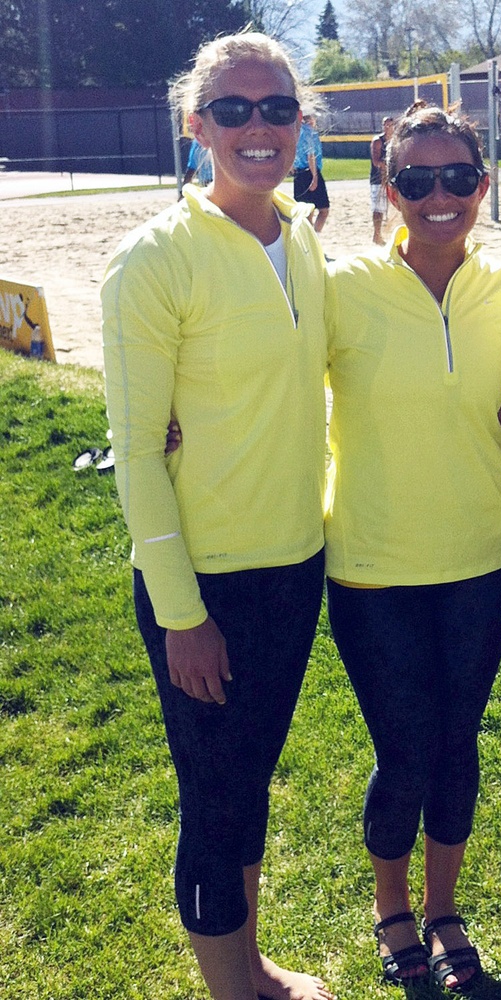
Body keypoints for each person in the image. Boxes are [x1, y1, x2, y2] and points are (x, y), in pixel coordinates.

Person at [101, 31, 332, 1000]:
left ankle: (254, 965)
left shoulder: (305, 240)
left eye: (275, 108)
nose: (256, 127)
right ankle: (232, 989)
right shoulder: (152, 262)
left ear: (300, 124)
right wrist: (181, 610)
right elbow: (139, 456)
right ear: (195, 126)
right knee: (214, 801)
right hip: (206, 586)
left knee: (250, 787)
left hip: (296, 563)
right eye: (232, 110)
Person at [324, 100, 501, 991]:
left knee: (459, 742)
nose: (438, 196)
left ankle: (445, 911)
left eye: (456, 178)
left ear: (482, 185)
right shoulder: (341, 288)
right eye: (417, 181)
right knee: (404, 747)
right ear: (389, 185)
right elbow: (265, 381)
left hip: (481, 561)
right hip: (370, 566)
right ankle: (392, 910)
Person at [293, 114, 330, 232]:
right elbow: (311, 156)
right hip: (310, 172)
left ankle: (310, 239)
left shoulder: (296, 131)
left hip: (299, 173)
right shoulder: (309, 132)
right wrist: (314, 177)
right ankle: (314, 238)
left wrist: (291, 166)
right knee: (323, 210)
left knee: (305, 210)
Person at [369, 115, 394, 244]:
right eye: (386, 125)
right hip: (378, 179)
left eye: (390, 125)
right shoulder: (378, 141)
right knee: (378, 208)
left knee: (394, 207)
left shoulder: (396, 141)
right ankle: (377, 235)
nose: (388, 127)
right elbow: (376, 162)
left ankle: (386, 234)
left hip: (392, 179)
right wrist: (391, 165)